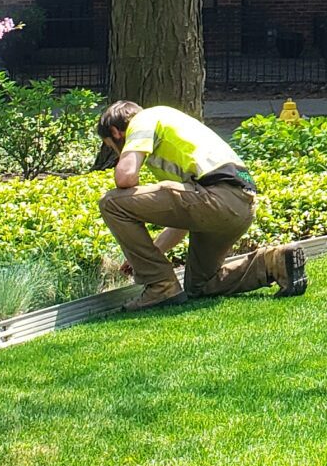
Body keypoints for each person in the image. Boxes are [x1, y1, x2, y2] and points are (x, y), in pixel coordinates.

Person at [95, 100, 308, 310]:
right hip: (241, 204)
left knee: (112, 203)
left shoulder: (142, 120)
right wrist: (147, 255)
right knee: (200, 285)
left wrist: (153, 271)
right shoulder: (170, 127)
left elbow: (125, 178)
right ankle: (274, 262)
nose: (115, 153)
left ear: (115, 132)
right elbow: (184, 217)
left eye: (111, 147)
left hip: (217, 197)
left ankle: (160, 287)